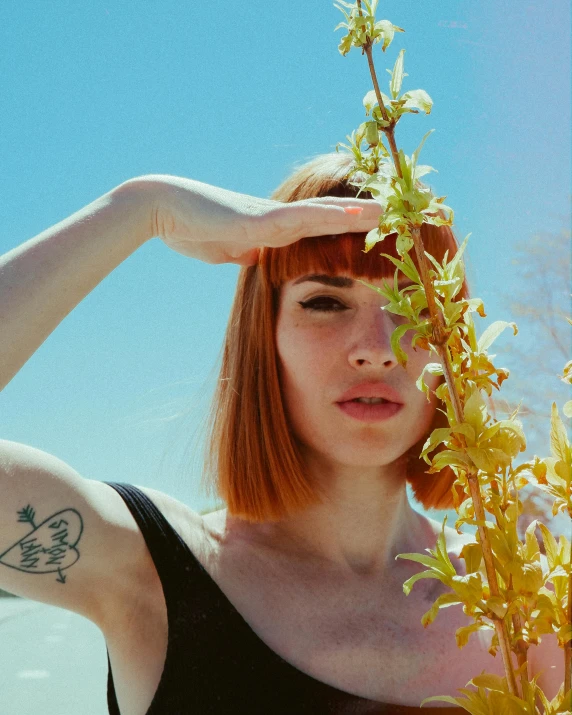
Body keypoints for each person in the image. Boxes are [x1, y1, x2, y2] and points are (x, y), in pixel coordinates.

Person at [0, 153, 555, 714]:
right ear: (264, 337)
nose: (378, 348)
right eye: (325, 302)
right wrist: (141, 207)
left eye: (416, 306)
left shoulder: (522, 600)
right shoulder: (150, 571)